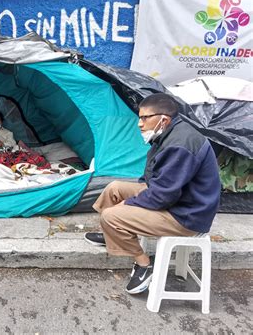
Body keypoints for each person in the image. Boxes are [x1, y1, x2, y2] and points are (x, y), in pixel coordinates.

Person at [84, 93, 220, 295]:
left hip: (186, 215)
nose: (139, 124)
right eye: (140, 117)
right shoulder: (170, 132)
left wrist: (129, 204)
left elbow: (162, 197)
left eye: (144, 118)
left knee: (112, 215)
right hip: (178, 199)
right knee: (114, 188)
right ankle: (112, 235)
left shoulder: (180, 145)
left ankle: (143, 265)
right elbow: (159, 183)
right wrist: (134, 198)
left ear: (163, 119)